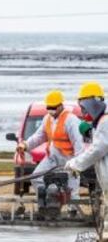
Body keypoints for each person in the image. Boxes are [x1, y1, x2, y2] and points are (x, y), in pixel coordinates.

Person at [17, 90, 83, 206]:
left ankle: (74, 213)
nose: (50, 109)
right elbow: (39, 136)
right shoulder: (47, 118)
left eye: (53, 107)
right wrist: (25, 145)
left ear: (60, 105)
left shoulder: (71, 120)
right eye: (49, 107)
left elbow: (79, 143)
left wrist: (77, 163)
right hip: (52, 157)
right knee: (36, 178)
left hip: (68, 159)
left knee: (72, 191)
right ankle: (48, 203)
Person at [65, 82, 108, 222]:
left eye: (84, 108)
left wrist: (76, 164)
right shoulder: (100, 122)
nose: (83, 112)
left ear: (93, 103)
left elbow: (98, 150)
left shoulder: (105, 121)